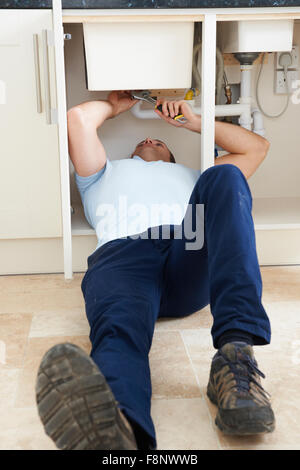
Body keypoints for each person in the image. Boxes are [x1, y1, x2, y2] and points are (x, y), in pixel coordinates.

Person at [35, 90, 275, 450]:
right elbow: (78, 120)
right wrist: (117, 104)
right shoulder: (102, 174)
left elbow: (256, 148)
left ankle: (236, 357)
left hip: (187, 245)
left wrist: (193, 121)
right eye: (142, 140)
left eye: (159, 140)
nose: (148, 139)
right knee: (118, 330)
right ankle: (118, 429)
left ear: (172, 157)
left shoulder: (195, 177)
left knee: (226, 176)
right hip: (122, 254)